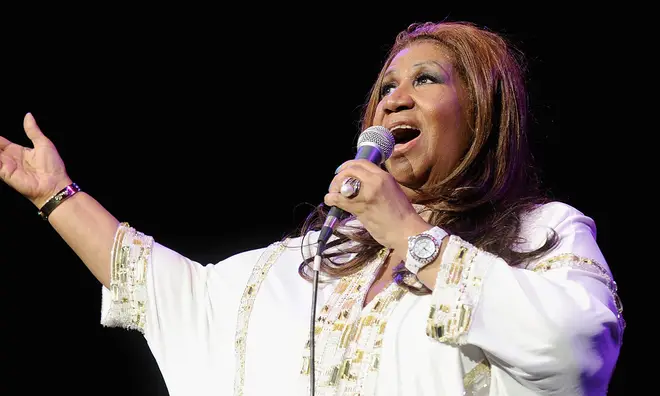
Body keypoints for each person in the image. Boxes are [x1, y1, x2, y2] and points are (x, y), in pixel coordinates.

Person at [0, 21, 624, 396]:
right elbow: (175, 294)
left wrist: (410, 234)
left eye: (427, 80)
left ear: (485, 109)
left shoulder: (541, 233)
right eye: (385, 87)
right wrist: (55, 194)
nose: (394, 101)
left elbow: (576, 347)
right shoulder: (319, 262)